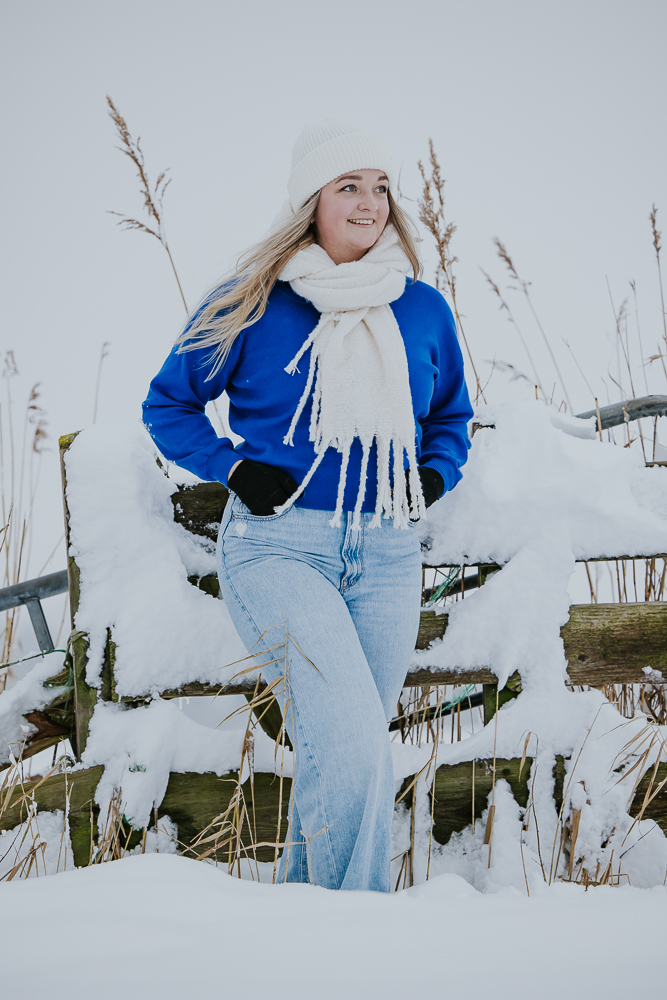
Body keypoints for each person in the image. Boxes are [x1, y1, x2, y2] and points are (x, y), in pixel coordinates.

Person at [143, 118, 473, 892]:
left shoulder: (421, 309)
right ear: (310, 201)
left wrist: (434, 474)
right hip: (279, 546)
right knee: (356, 742)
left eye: (381, 187)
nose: (369, 203)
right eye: (348, 186)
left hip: (387, 552)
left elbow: (451, 415)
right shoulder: (254, 301)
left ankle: (304, 929)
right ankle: (355, 935)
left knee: (341, 747)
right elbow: (168, 406)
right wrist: (232, 469)